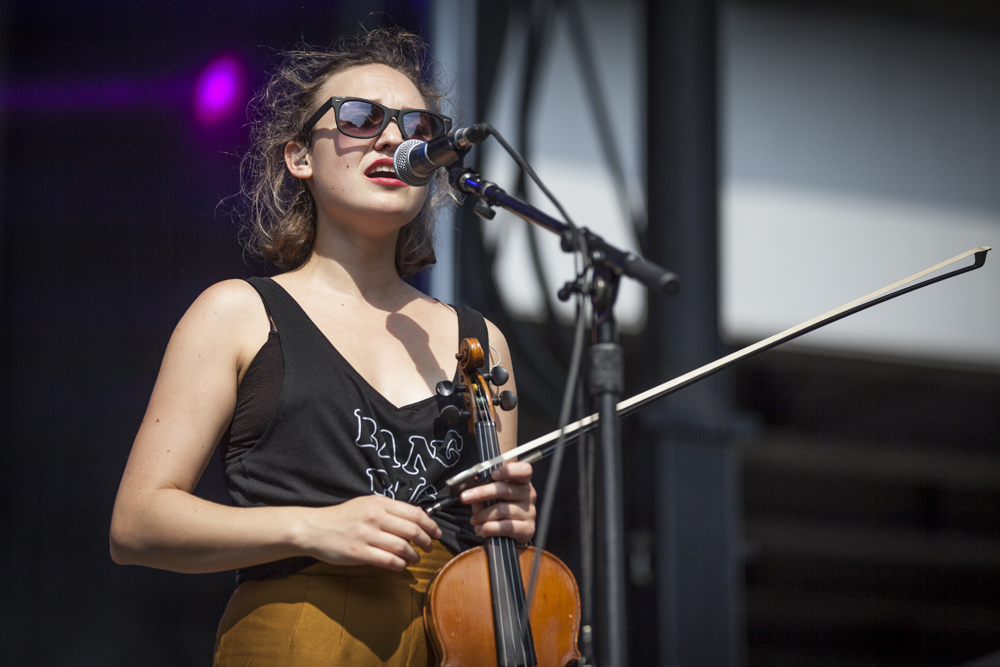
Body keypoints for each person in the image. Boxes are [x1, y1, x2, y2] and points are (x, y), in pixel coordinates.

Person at [109, 27, 536, 667]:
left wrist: (511, 522)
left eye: (414, 123)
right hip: (301, 639)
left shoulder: (480, 341)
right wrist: (313, 525)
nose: (394, 138)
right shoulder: (238, 313)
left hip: (455, 636)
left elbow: (487, 546)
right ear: (300, 157)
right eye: (361, 119)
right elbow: (138, 525)